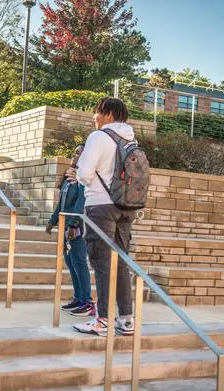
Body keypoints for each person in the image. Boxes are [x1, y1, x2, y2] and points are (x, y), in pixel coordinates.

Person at [73, 97, 137, 337]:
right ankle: (126, 320)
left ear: (109, 114)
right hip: (126, 206)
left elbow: (85, 173)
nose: (94, 117)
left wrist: (81, 176)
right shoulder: (131, 138)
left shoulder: (99, 137)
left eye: (97, 112)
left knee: (101, 262)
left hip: (100, 206)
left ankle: (102, 320)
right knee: (120, 262)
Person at [46, 144, 94, 317]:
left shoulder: (83, 179)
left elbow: (81, 203)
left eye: (79, 153)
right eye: (74, 152)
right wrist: (52, 221)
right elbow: (61, 204)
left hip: (76, 228)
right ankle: (78, 298)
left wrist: (73, 225)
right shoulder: (69, 178)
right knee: (71, 263)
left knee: (80, 263)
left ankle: (87, 302)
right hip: (64, 227)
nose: (75, 156)